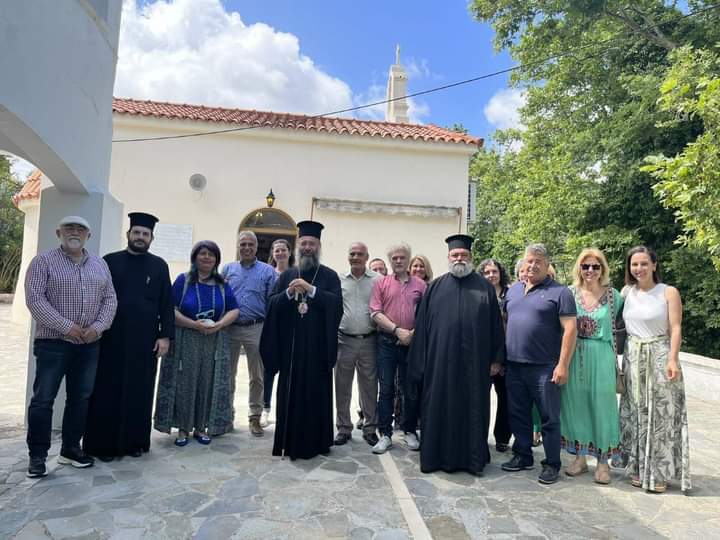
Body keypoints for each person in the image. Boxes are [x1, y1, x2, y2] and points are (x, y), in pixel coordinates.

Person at [24, 216, 117, 478]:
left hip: (89, 344)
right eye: (69, 228)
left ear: (88, 235)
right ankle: (37, 456)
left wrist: (97, 327)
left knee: (80, 398)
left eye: (80, 229)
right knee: (43, 400)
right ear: (59, 233)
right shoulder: (43, 261)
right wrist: (67, 327)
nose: (75, 232)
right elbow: (35, 299)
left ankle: (71, 449)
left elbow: (110, 299)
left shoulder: (100, 264)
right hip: (53, 344)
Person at [408, 235, 504, 475]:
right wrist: (420, 362)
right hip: (440, 363)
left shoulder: (484, 288)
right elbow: (422, 328)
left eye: (463, 255)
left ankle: (472, 460)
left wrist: (496, 359)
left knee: (473, 409)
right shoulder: (435, 288)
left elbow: (496, 326)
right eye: (455, 255)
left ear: (470, 257)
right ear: (448, 257)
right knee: (438, 406)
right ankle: (436, 458)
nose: (459, 259)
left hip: (475, 363)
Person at [84, 212, 174, 462]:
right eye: (137, 232)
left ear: (151, 238)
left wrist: (165, 336)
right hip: (110, 338)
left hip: (145, 341)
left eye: (145, 234)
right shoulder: (109, 261)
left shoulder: (159, 266)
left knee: (139, 391)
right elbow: (96, 296)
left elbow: (167, 303)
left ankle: (134, 442)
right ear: (128, 234)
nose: (140, 237)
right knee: (106, 390)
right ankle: (102, 445)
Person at [260, 221, 343, 460]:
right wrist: (288, 293)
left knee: (316, 395)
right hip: (291, 349)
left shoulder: (329, 275)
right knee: (290, 394)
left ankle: (317, 442)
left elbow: (337, 306)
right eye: (304, 243)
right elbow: (272, 304)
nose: (307, 247)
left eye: (312, 244)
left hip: (317, 349)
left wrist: (311, 290)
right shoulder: (287, 274)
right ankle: (287, 441)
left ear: (319, 247)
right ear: (298, 246)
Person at [501, 244, 577, 485]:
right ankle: (522, 455)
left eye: (538, 262)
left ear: (547, 265)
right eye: (529, 261)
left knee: (549, 418)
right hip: (514, 365)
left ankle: (552, 463)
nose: (533, 265)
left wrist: (563, 365)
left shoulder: (560, 292)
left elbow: (570, 329)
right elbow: (505, 322)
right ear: (523, 263)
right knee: (518, 414)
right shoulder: (514, 291)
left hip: (544, 367)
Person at [619, 246, 690, 493]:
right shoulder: (627, 292)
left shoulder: (668, 292)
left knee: (661, 415)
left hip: (659, 354)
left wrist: (673, 359)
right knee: (636, 411)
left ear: (654, 265)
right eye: (634, 264)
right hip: (633, 356)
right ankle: (638, 467)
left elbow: (676, 327)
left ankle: (660, 471)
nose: (639, 268)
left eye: (644, 263)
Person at [154, 241, 239, 446]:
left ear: (217, 260)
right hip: (186, 339)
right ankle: (183, 428)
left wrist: (219, 325)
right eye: (203, 253)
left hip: (213, 341)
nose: (207, 257)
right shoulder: (183, 281)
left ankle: (201, 427)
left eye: (211, 254)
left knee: (207, 383)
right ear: (194, 257)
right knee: (186, 383)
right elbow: (170, 310)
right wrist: (193, 324)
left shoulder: (222, 284)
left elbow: (234, 309)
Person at [560, 249, 622, 484]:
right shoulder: (569, 293)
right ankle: (580, 458)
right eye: (585, 266)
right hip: (575, 355)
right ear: (579, 268)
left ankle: (603, 462)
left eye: (595, 266)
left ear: (602, 269)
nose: (590, 270)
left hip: (601, 355)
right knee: (576, 405)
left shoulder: (613, 296)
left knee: (602, 407)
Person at [369, 242, 426, 454]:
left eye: (402, 257)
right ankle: (385, 434)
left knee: (409, 389)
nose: (398, 261)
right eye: (394, 258)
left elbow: (427, 314)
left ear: (408, 259)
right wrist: (397, 330)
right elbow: (375, 312)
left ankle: (409, 430)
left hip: (412, 344)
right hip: (387, 343)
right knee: (386, 389)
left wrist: (411, 334)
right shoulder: (381, 283)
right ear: (390, 260)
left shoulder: (421, 285)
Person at [224, 231, 277, 435]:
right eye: (243, 244)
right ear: (238, 246)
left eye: (250, 244)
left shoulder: (267, 271)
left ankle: (255, 416)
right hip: (230, 328)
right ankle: (226, 415)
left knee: (257, 375)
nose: (246, 248)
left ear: (256, 247)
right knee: (227, 374)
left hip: (257, 328)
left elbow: (272, 302)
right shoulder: (227, 269)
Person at [334, 242, 381, 447]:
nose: (355, 257)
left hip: (369, 340)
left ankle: (370, 428)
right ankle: (343, 428)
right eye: (352, 253)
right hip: (344, 340)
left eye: (360, 254)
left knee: (369, 386)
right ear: (348, 256)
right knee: (342, 385)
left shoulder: (378, 280)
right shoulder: (339, 279)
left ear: (367, 257)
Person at [478, 258, 513, 453]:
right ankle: (479, 436)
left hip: (507, 353)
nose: (491, 275)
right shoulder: (477, 293)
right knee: (480, 397)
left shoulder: (511, 294)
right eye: (487, 272)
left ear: (500, 273)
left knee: (505, 396)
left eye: (494, 271)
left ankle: (502, 438)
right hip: (483, 353)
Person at [264, 238, 294, 421]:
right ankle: (265, 407)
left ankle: (287, 409)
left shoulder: (297, 273)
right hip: (269, 325)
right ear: (272, 254)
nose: (280, 253)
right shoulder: (267, 273)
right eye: (277, 250)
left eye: (284, 250)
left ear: (290, 252)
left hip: (289, 327)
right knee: (268, 369)